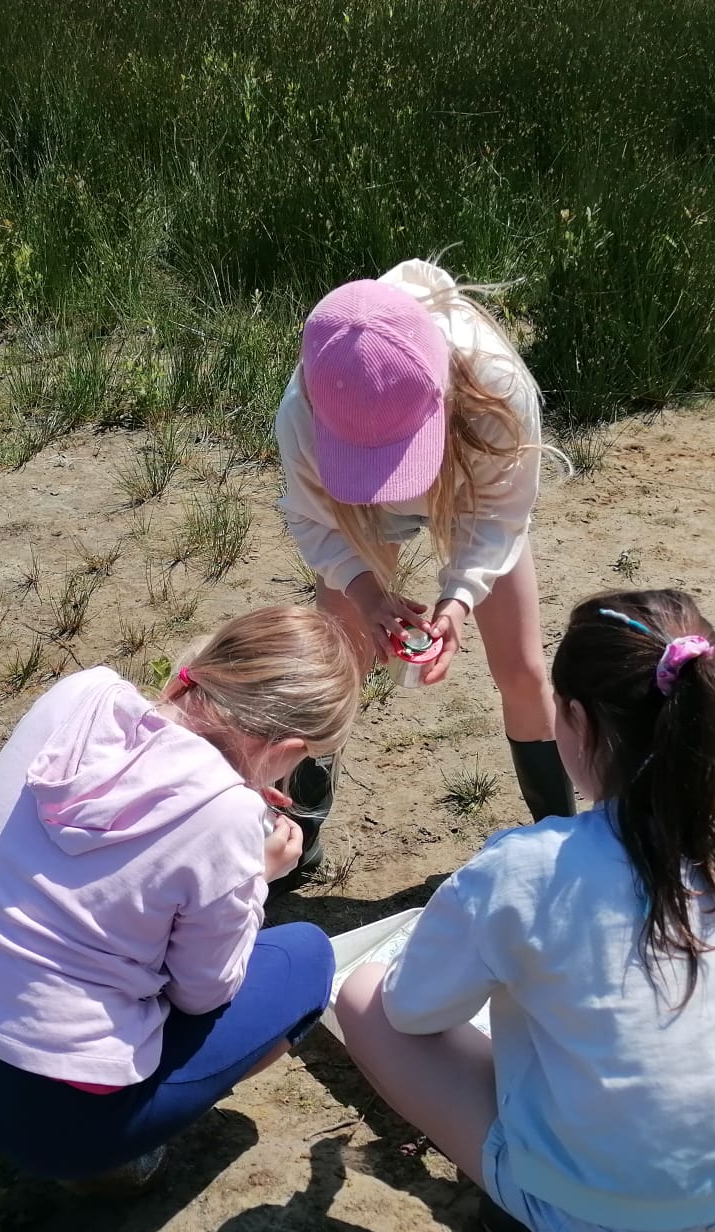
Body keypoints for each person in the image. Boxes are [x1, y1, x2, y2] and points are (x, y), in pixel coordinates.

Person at [332, 589, 715, 1232]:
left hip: (584, 1213)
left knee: (366, 997)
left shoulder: (523, 869)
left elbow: (412, 1011)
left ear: (573, 719)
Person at [0, 606, 361, 1191]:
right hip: (59, 1124)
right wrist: (253, 876)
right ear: (288, 747)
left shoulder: (82, 693)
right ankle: (117, 1159)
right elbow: (203, 994)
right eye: (304, 760)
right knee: (306, 958)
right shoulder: (225, 818)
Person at [273, 259, 569, 877]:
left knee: (521, 669)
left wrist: (459, 596)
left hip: (468, 492)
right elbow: (313, 519)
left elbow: (500, 517)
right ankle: (298, 837)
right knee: (334, 670)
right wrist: (364, 592)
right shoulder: (309, 402)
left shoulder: (496, 386)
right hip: (353, 518)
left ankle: (563, 842)